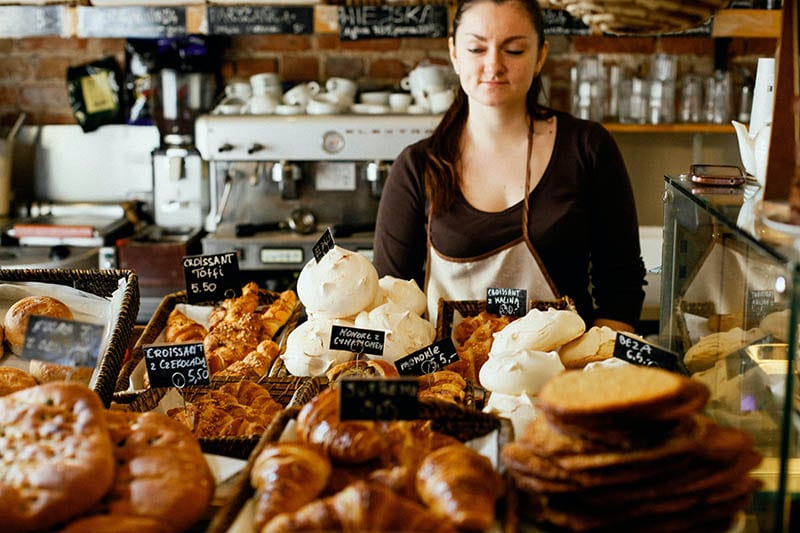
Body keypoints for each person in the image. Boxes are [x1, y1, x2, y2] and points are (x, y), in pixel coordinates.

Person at [372, 0, 646, 332]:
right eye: (476, 48)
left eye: (514, 50)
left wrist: (592, 370)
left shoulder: (586, 147)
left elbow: (622, 287)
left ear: (540, 55)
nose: (493, 65)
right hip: (446, 380)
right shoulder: (418, 166)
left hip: (560, 374)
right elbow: (388, 303)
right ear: (454, 53)